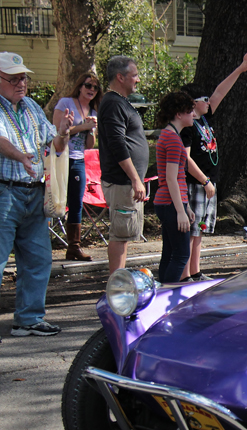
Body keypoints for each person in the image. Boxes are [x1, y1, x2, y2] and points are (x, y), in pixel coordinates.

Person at [0, 52, 73, 337]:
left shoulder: (30, 106)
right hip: (5, 191)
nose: (21, 83)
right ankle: (27, 317)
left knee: (39, 259)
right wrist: (22, 157)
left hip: (33, 193)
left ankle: (28, 319)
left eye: (23, 78)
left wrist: (64, 132)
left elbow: (52, 142)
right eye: (14, 78)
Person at [179, 51, 247, 282]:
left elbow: (220, 92)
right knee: (191, 231)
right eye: (203, 98)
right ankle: (184, 275)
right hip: (196, 183)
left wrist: (240, 70)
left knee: (199, 229)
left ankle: (195, 271)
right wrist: (204, 180)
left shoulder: (204, 119)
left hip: (208, 183)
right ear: (192, 103)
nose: (208, 100)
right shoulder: (188, 125)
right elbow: (185, 158)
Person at [97, 56, 148, 274]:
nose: (137, 79)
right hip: (121, 181)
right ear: (120, 77)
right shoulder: (112, 103)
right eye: (134, 75)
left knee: (125, 235)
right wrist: (135, 179)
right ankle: (115, 287)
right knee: (120, 234)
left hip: (127, 182)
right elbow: (117, 145)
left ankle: (119, 282)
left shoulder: (120, 102)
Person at [53, 72, 102, 261]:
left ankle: (74, 247)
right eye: (88, 86)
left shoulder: (93, 111)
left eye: (95, 88)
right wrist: (81, 127)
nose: (91, 90)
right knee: (54, 200)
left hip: (78, 159)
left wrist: (91, 129)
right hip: (60, 158)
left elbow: (89, 145)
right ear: (80, 86)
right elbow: (57, 131)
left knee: (76, 203)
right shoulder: (65, 103)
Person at [152, 92, 195, 282]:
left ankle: (161, 294)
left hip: (169, 202)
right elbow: (171, 179)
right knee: (181, 255)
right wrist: (180, 211)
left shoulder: (168, 135)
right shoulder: (173, 140)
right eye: (190, 111)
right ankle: (166, 297)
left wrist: (186, 206)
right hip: (170, 203)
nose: (194, 115)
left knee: (169, 253)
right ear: (179, 114)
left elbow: (176, 178)